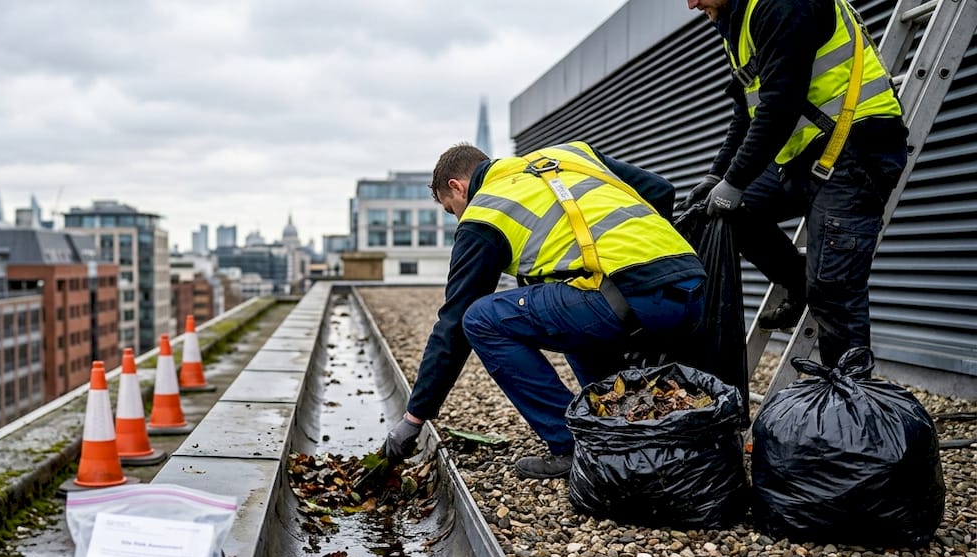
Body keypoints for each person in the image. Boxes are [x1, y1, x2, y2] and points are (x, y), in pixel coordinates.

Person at [383, 141, 706, 480]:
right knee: (563, 304)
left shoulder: (485, 212)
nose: (457, 219)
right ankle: (616, 425)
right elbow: (662, 190)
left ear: (457, 187)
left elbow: (453, 324)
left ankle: (571, 445)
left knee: (480, 319)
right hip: (691, 287)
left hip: (631, 301)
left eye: (452, 210)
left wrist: (414, 417)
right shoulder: (571, 155)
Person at [682, 0, 907, 366]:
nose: (691, 4)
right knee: (735, 214)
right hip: (804, 157)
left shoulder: (782, 4)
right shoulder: (736, 23)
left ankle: (848, 406)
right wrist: (717, 175)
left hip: (857, 148)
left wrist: (735, 179)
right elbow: (747, 111)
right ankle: (799, 284)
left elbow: (781, 105)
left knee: (833, 290)